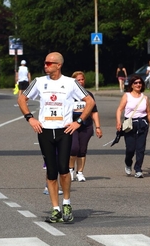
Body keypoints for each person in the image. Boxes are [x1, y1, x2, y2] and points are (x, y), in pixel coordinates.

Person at [17, 52, 95, 223]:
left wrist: (79, 122)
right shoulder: (39, 81)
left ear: (58, 65)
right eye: (45, 63)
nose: (45, 66)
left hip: (64, 131)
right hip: (45, 131)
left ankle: (66, 203)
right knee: (51, 172)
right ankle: (55, 209)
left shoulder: (70, 83)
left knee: (64, 170)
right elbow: (22, 99)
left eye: (49, 63)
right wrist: (30, 118)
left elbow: (90, 101)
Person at [116, 75, 150, 178]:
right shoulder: (127, 96)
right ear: (131, 85)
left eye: (140, 83)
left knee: (140, 148)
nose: (138, 84)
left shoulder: (145, 98)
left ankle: (138, 169)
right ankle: (128, 162)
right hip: (129, 124)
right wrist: (118, 122)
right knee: (130, 149)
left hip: (142, 124)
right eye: (135, 83)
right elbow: (119, 110)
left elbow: (149, 113)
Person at [69, 71, 103, 182]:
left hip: (86, 125)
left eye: (82, 79)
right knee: (74, 148)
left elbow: (94, 112)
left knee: (82, 150)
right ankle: (70, 170)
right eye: (78, 80)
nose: (80, 82)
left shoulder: (89, 95)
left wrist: (98, 127)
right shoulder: (69, 94)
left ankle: (80, 172)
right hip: (72, 125)